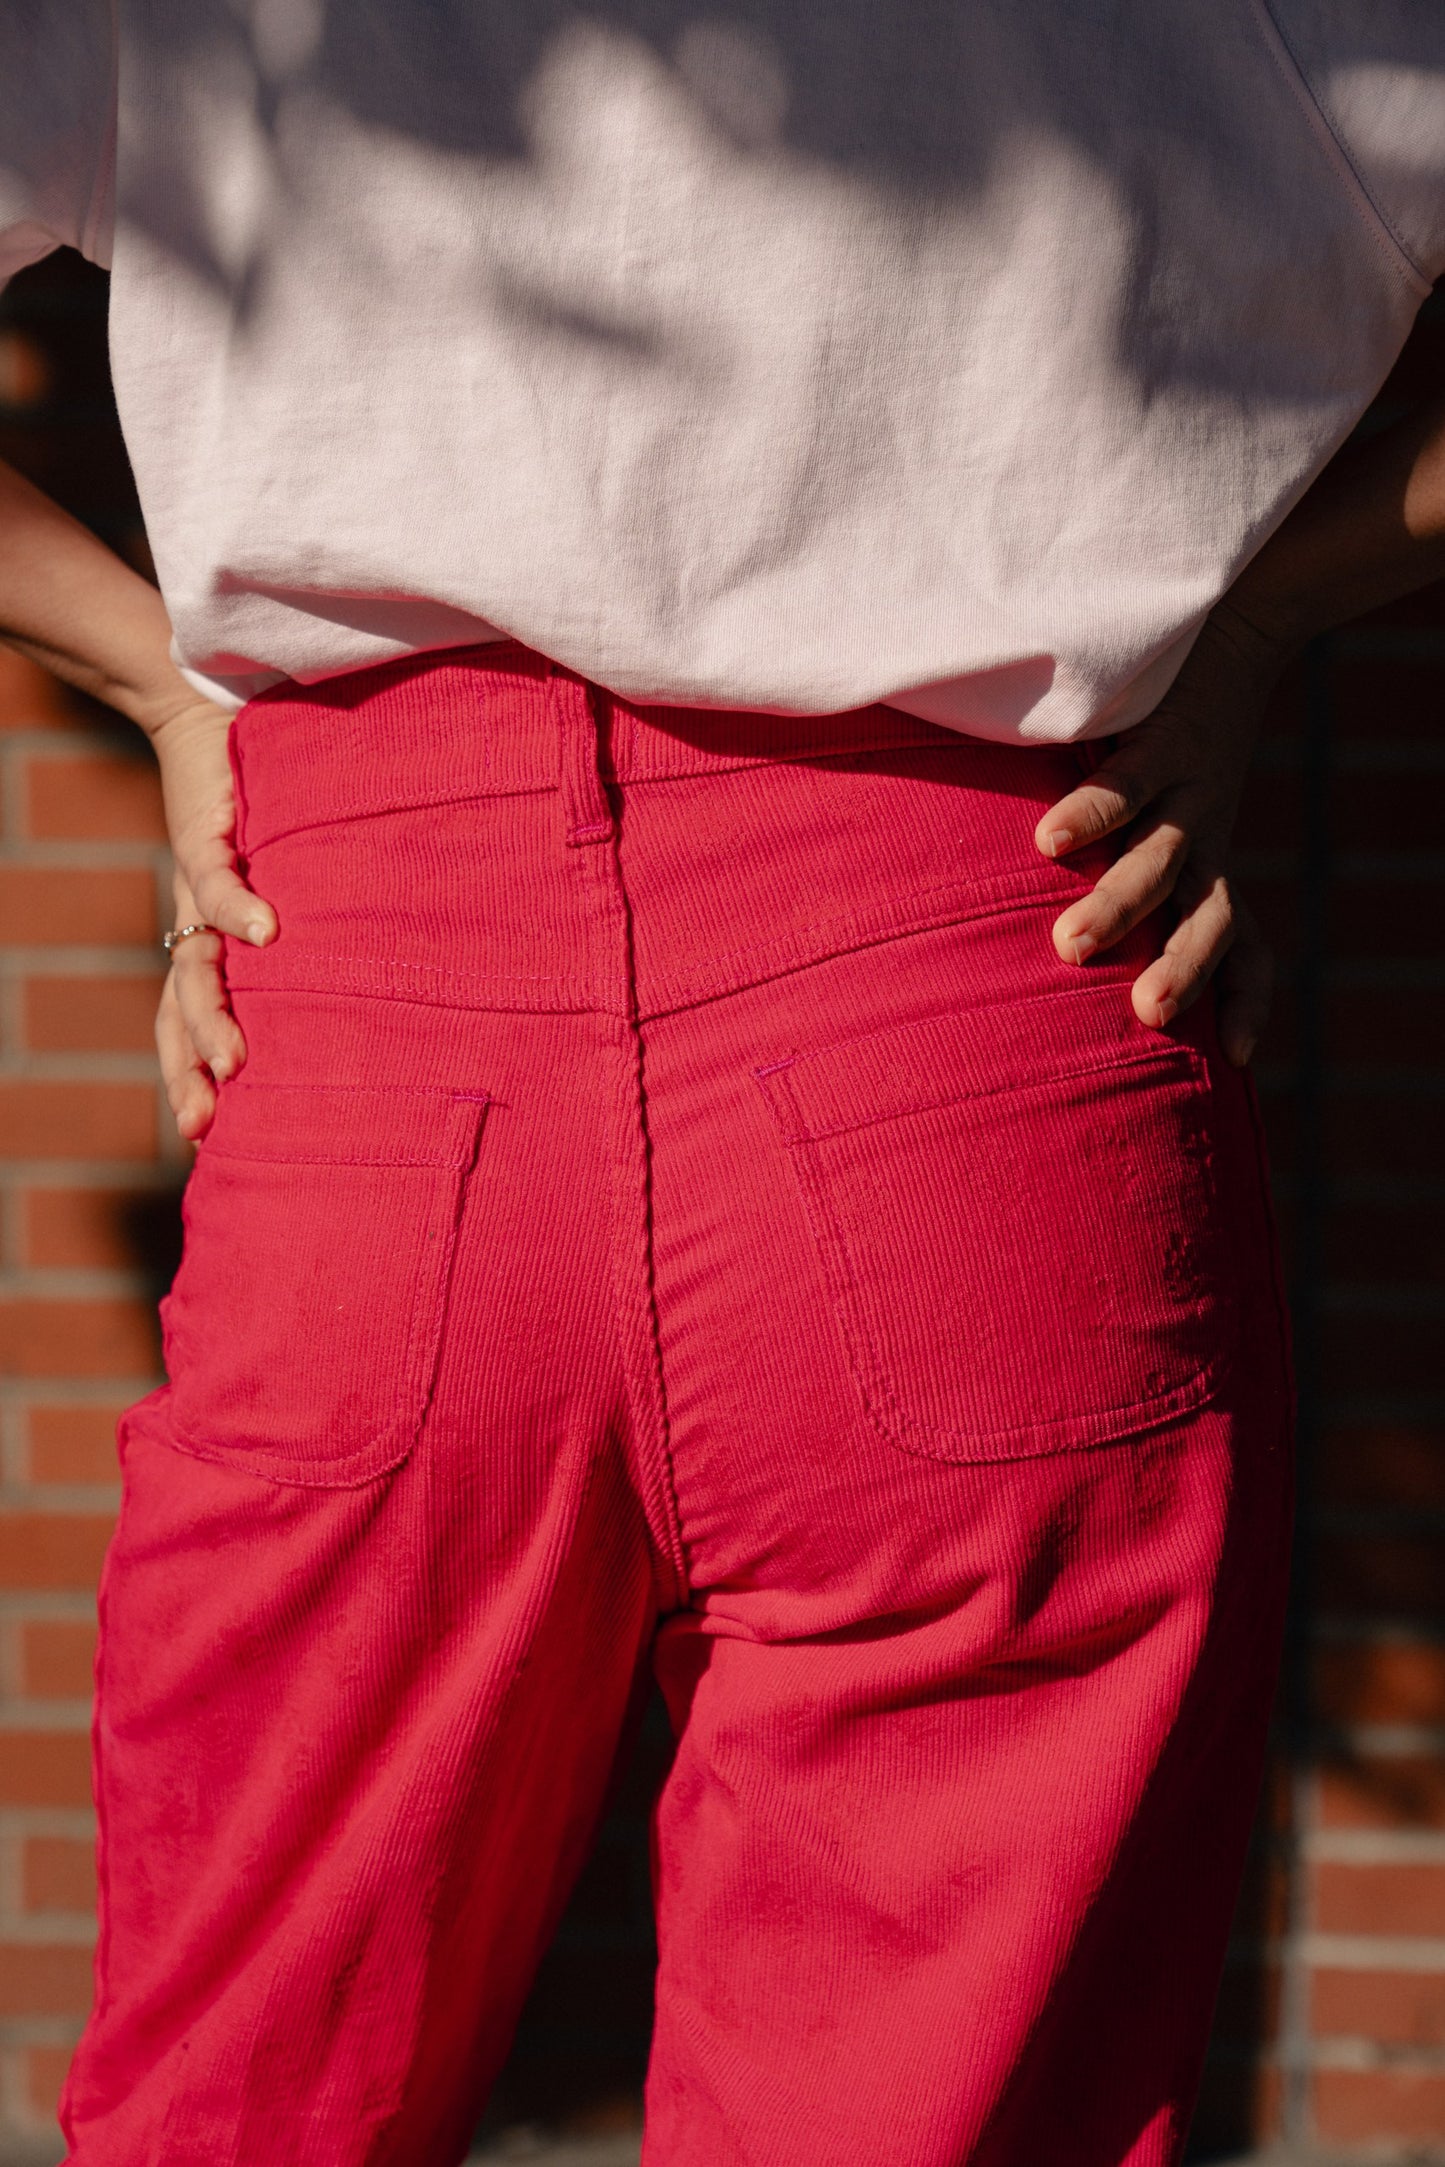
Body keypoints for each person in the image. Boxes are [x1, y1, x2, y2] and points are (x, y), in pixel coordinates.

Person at [2, 4, 1443, 2162]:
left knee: (240, 2102)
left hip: (381, 1011)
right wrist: (1254, 629)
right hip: (994, 987)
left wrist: (157, 680)